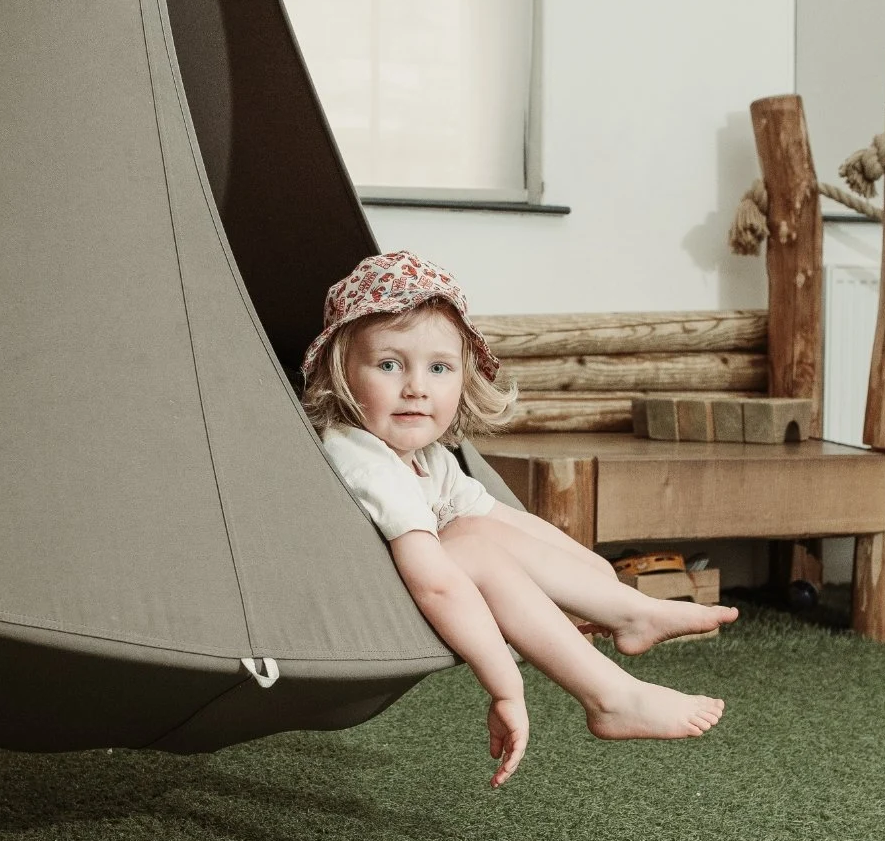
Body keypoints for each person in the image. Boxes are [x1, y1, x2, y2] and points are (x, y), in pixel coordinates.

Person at [302, 251, 736, 786]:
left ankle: (633, 614)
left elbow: (503, 520)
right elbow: (437, 585)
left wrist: (598, 581)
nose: (416, 387)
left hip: (431, 578)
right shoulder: (363, 457)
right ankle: (611, 698)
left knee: (477, 528)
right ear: (341, 372)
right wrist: (507, 688)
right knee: (470, 546)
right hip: (359, 603)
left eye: (438, 368)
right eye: (389, 365)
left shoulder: (427, 457)